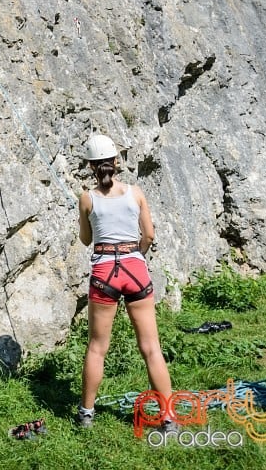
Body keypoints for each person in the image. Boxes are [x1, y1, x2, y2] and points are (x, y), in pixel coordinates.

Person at [76, 133, 175, 432]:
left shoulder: (87, 198)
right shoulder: (137, 193)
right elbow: (148, 235)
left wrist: (90, 216)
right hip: (135, 268)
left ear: (92, 166)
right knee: (151, 348)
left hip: (105, 271)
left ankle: (86, 414)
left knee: (96, 347)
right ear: (117, 162)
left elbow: (86, 240)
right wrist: (137, 256)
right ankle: (168, 419)